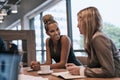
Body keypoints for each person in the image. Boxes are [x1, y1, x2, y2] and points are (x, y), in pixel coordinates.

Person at [66, 6, 120, 78]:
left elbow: (108, 71)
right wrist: (79, 68)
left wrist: (80, 71)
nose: (77, 25)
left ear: (87, 22)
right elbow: (98, 66)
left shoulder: (99, 38)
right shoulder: (94, 38)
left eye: (79, 21)